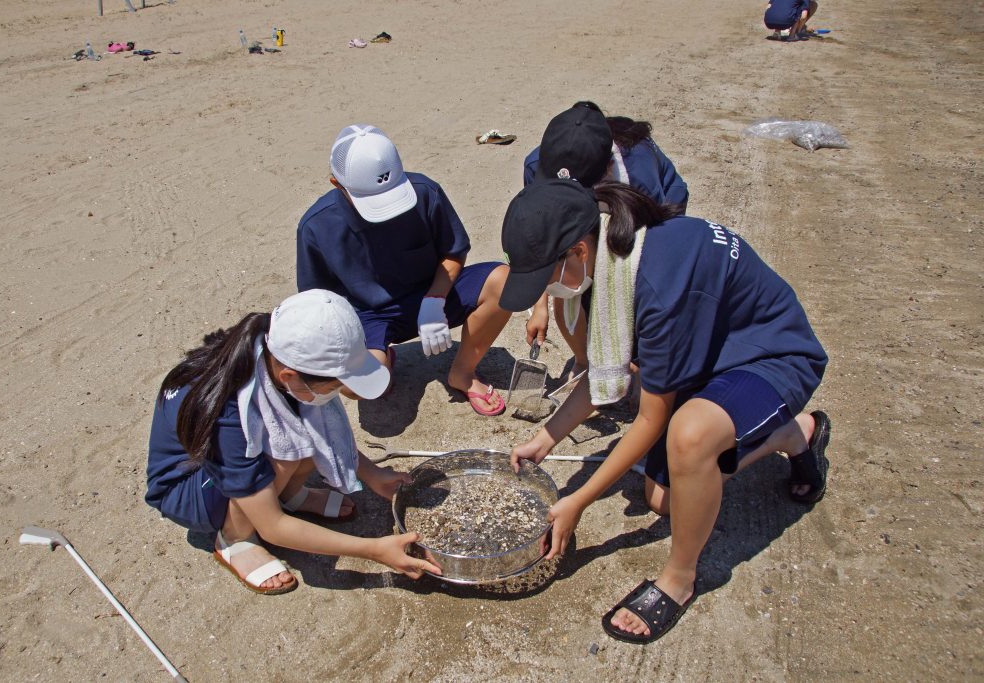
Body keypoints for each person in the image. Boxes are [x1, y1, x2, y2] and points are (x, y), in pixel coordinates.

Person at [500, 178, 830, 643]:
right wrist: (546, 438)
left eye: (547, 279)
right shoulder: (613, 252)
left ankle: (680, 578)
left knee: (689, 437)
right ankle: (791, 434)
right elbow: (602, 374)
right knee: (664, 500)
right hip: (715, 354)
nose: (549, 292)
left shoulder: (657, 285)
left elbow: (651, 419)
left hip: (773, 357)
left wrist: (577, 501)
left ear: (577, 251)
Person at [145, 290, 441, 595]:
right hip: (187, 487)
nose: (343, 392)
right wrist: (374, 549)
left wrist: (372, 474)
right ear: (289, 375)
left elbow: (323, 428)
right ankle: (235, 538)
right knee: (288, 448)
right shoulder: (230, 415)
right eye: (337, 384)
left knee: (303, 428)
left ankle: (288, 496)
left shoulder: (278, 346)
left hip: (232, 461)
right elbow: (273, 526)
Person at [297, 125, 511, 416]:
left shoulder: (425, 192)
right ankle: (383, 357)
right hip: (370, 315)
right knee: (359, 388)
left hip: (433, 292)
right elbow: (319, 302)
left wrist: (435, 301)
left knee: (504, 282)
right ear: (337, 184)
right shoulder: (316, 226)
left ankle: (462, 372)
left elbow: (453, 251)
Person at [523, 102, 689, 382]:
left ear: (606, 169)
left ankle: (636, 361)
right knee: (570, 286)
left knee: (626, 283)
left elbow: (655, 251)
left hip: (654, 212)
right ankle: (585, 362)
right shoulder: (535, 165)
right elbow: (540, 238)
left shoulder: (638, 175)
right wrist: (539, 305)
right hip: (599, 202)